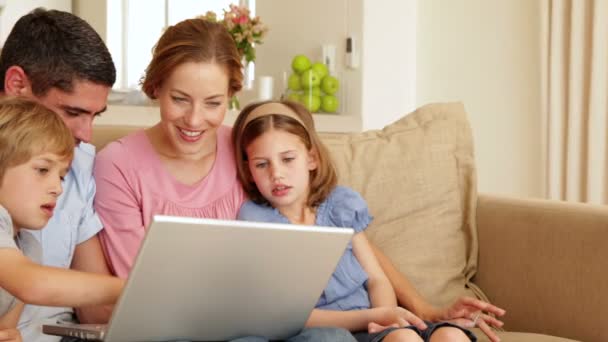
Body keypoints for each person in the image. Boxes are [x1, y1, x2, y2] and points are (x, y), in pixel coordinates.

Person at [93, 18, 356, 342]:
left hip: (259, 324)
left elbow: (327, 218)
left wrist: (412, 304)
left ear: (232, 95)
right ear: (157, 86)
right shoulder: (117, 165)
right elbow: (141, 294)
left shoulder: (248, 151)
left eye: (213, 103)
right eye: (179, 99)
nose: (194, 119)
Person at [231, 100, 486, 342]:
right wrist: (375, 317)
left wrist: (387, 319)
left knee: (449, 336)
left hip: (376, 326)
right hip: (330, 329)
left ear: (312, 158)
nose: (277, 174)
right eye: (262, 164)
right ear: (249, 172)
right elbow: (283, 314)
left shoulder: (341, 205)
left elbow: (376, 278)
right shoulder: (256, 220)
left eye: (288, 159)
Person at [0, 8, 120, 341]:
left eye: (95, 115)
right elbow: (32, 282)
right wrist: (134, 286)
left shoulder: (77, 161)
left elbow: (95, 309)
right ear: (17, 84)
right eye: (72, 112)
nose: (86, 134)